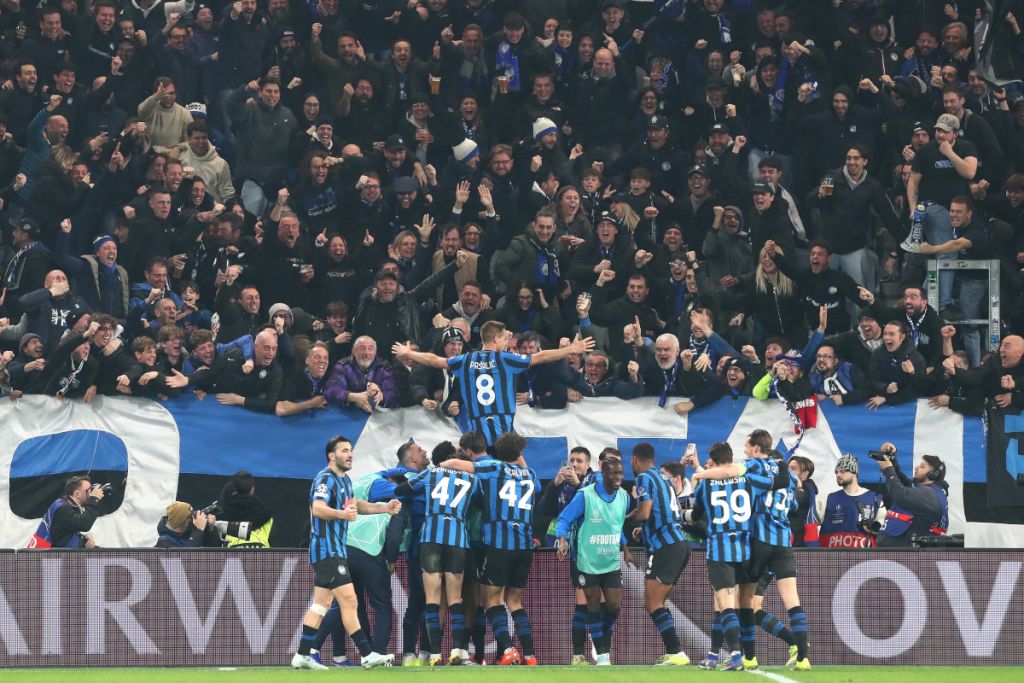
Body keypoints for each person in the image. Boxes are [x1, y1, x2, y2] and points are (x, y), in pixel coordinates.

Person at [693, 430, 810, 671]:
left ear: (756, 448)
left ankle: (746, 656)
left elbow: (727, 474)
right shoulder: (783, 474)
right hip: (783, 544)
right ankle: (803, 656)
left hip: (756, 544)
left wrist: (698, 473)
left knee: (741, 603)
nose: (745, 450)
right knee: (791, 601)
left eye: (747, 446)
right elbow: (796, 494)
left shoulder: (751, 470)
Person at [291, 436, 401, 670]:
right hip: (327, 550)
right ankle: (367, 654)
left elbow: (357, 505)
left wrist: (384, 507)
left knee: (321, 605)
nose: (350, 454)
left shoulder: (345, 480)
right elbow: (318, 508)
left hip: (336, 551)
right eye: (344, 450)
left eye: (350, 450)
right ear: (331, 456)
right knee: (349, 600)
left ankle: (302, 655)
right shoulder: (325, 478)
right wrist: (342, 514)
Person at [392, 320, 595, 445]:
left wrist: (409, 353)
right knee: (516, 473)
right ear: (496, 339)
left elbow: (435, 361)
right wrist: (570, 349)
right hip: (503, 430)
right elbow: (540, 357)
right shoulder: (505, 359)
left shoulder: (466, 360)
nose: (507, 342)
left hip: (478, 431)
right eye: (505, 338)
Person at [440, 432, 541, 666]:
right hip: (524, 545)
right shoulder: (530, 474)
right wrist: (519, 456)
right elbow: (535, 485)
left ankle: (508, 649)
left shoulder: (494, 468)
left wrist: (439, 467)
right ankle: (529, 655)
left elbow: (457, 464)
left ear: (498, 451)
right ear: (519, 453)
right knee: (515, 602)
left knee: (490, 600)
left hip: (500, 543)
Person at [392, 441, 476, 666]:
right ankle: (457, 650)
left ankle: (434, 653)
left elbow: (401, 490)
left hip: (430, 538)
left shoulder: (431, 473)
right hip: (457, 538)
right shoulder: (472, 478)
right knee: (455, 598)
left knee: (432, 599)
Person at [683, 441, 753, 672]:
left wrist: (683, 515)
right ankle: (713, 655)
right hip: (745, 548)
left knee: (726, 604)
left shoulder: (705, 484)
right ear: (731, 458)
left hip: (720, 548)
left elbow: (696, 515)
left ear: (712, 461)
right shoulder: (747, 478)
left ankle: (736, 655)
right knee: (722, 604)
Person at [554, 455, 629, 667]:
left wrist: (625, 547)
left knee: (614, 606)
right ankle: (603, 655)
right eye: (614, 473)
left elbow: (616, 524)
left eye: (621, 473)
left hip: (610, 560)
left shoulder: (624, 496)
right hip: (586, 560)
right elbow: (564, 519)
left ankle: (598, 635)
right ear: (603, 474)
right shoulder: (585, 495)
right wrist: (562, 540)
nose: (618, 477)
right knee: (593, 605)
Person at [624, 443, 691, 666]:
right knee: (658, 601)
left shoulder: (644, 478)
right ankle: (674, 652)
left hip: (666, 547)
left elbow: (644, 512)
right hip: (678, 543)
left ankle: (676, 652)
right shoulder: (664, 478)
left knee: (652, 602)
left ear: (635, 459)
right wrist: (645, 529)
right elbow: (668, 512)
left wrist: (624, 520)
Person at [874, 443, 949, 548]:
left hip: (905, 554)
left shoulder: (929, 495)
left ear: (933, 474)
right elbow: (903, 483)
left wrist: (888, 470)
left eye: (922, 467)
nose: (916, 468)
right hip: (901, 552)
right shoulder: (931, 493)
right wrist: (892, 459)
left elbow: (901, 494)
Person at [817, 455, 885, 549]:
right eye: (836, 472)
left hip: (862, 557)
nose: (838, 475)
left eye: (842, 471)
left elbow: (884, 532)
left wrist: (873, 529)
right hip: (831, 556)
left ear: (854, 473)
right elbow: (809, 524)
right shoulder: (827, 499)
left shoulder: (875, 499)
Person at [29, 475, 105, 548]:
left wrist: (85, 537)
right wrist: (94, 500)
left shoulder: (66, 504)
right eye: (89, 490)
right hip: (60, 555)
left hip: (65, 552)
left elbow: (66, 533)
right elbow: (84, 524)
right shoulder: (63, 509)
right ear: (77, 494)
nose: (91, 494)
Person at [155, 501, 222, 548]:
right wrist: (199, 530)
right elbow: (187, 558)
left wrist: (211, 529)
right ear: (181, 520)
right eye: (189, 517)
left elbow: (215, 549)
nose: (192, 519)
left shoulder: (189, 532)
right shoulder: (164, 541)